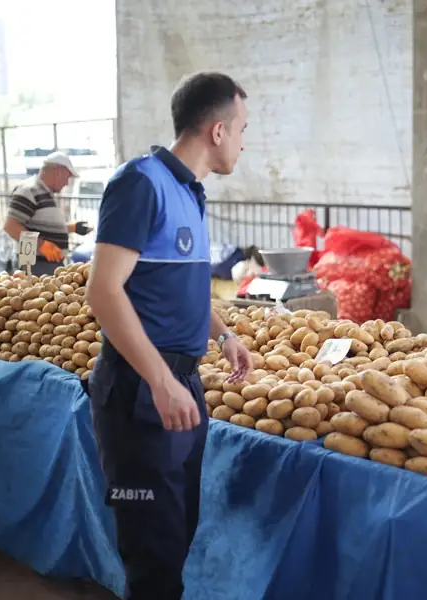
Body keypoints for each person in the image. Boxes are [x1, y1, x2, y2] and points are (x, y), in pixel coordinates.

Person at [85, 71, 254, 600]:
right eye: (243, 129)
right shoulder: (140, 182)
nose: (245, 143)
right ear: (219, 131)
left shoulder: (190, 193)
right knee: (151, 550)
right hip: (139, 395)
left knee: (176, 535)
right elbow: (103, 291)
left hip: (183, 385)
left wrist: (223, 333)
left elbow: (179, 288)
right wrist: (159, 381)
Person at [3, 151, 92, 276]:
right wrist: (41, 245)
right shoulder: (29, 190)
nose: (66, 183)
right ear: (57, 172)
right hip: (37, 264)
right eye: (67, 177)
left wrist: (72, 228)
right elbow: (11, 226)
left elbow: (41, 225)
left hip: (48, 262)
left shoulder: (44, 192)